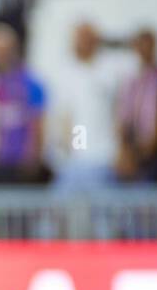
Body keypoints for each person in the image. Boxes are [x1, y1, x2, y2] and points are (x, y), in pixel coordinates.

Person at [48, 22, 124, 189]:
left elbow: (118, 113)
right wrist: (77, 150)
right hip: (77, 161)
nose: (84, 42)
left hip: (105, 157)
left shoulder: (110, 71)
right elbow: (68, 117)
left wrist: (118, 149)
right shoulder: (66, 73)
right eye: (80, 38)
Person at [115, 28, 157, 182]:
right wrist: (126, 152)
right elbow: (123, 120)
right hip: (133, 158)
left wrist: (145, 153)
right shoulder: (131, 82)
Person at [0, 21, 48, 184]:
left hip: (21, 163)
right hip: (0, 160)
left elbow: (37, 122)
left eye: (2, 51)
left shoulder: (30, 83)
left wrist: (32, 157)